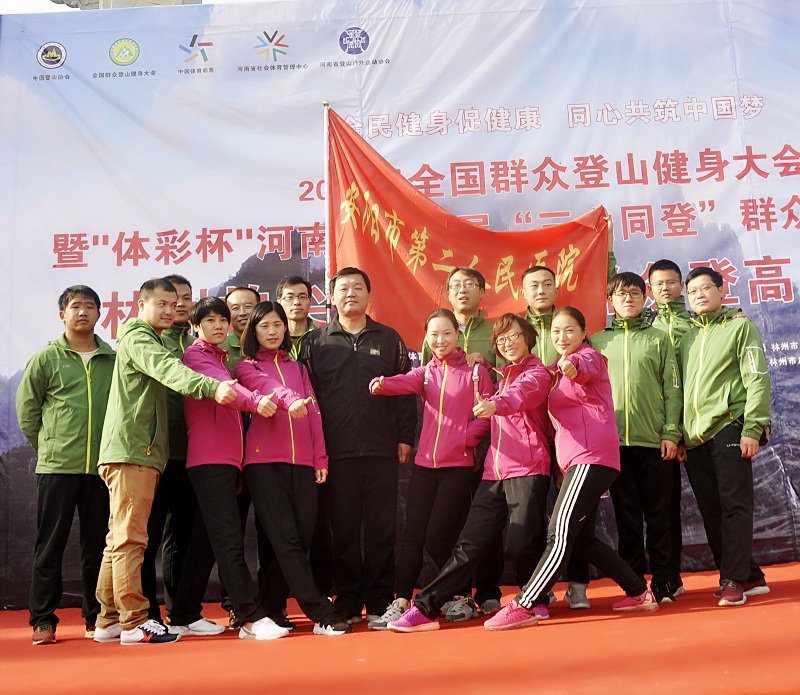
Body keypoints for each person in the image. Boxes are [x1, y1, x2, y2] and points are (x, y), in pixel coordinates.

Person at [481, 307, 659, 631]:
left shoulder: (589, 358)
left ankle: (525, 604)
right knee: (583, 540)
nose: (562, 337)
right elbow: (527, 386)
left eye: (569, 330)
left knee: (559, 533)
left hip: (591, 457)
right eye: (556, 332)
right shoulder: (553, 372)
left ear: (583, 332)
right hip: (578, 461)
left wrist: (572, 366)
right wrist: (484, 370)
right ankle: (638, 593)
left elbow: (583, 367)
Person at [93, 278, 237, 646]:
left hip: (137, 452)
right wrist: (212, 386)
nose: (170, 311)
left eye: (174, 305)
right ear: (141, 304)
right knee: (131, 539)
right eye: (162, 304)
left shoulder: (151, 338)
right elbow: (168, 369)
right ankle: (134, 621)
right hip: (133, 451)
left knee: (118, 539)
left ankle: (108, 620)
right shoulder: (139, 338)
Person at [387, 314, 554, 632]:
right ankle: (426, 607)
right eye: (501, 339)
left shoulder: (536, 373)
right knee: (469, 543)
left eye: (514, 336)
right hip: (494, 470)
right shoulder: (500, 375)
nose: (508, 343)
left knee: (520, 545)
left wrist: (494, 405)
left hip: (529, 466)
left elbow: (518, 396)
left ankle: (534, 598)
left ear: (528, 338)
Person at [300, 267, 417, 624]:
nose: (350, 293)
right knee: (344, 529)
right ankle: (348, 598)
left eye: (357, 287)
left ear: (369, 295)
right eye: (343, 288)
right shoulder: (316, 343)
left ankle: (380, 597)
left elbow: (404, 391)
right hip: (336, 452)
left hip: (382, 448)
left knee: (383, 527)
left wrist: (405, 437)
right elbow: (308, 398)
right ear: (332, 298)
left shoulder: (389, 338)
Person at [170, 297, 288, 640]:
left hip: (225, 461)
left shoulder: (220, 359)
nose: (219, 326)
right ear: (195, 327)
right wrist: (257, 401)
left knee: (206, 541)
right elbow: (229, 394)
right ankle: (250, 617)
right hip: (209, 460)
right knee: (228, 540)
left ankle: (183, 614)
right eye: (210, 321)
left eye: (222, 320)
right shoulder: (196, 357)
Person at [366, 309, 493, 629]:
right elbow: (402, 383)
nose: (440, 340)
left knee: (438, 537)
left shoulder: (476, 372)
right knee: (412, 536)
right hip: (424, 465)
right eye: (433, 334)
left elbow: (488, 414)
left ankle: (461, 595)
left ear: (457, 335)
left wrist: (466, 438)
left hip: (458, 466)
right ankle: (401, 601)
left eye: (446, 333)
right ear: (426, 338)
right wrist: (382, 384)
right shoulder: (425, 374)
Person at [236, 301, 352, 635]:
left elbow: (314, 413)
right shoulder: (246, 367)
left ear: (286, 329)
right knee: (286, 539)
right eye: (264, 326)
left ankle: (270, 607)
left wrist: (320, 458)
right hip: (263, 463)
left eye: (277, 325)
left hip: (302, 462)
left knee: (299, 538)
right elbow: (266, 388)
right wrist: (289, 400)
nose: (272, 332)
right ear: (253, 331)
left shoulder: (299, 369)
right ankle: (321, 612)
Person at [17, 285, 115, 645]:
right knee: (50, 545)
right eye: (75, 306)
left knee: (98, 546)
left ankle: (96, 617)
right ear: (63, 314)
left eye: (90, 306)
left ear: (100, 314)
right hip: (57, 467)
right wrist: (47, 446)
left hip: (101, 468)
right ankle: (43, 619)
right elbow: (27, 411)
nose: (82, 312)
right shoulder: (46, 358)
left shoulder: (112, 359)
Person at [647, 259, 744, 598]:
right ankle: (668, 577)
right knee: (664, 508)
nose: (665, 288)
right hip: (656, 428)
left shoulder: (697, 323)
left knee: (722, 503)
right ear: (650, 289)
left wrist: (734, 313)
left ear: (681, 288)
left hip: (697, 425)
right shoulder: (647, 325)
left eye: (671, 282)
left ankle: (739, 574)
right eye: (658, 283)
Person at [680, 267, 771, 606]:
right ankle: (752, 576)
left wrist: (753, 427)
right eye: (693, 292)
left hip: (730, 425)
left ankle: (732, 579)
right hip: (695, 437)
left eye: (706, 288)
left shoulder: (740, 327)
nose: (699, 295)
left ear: (721, 291)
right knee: (711, 510)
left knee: (734, 505)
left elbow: (757, 378)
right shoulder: (686, 337)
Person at [591, 272, 683, 603]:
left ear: (645, 298)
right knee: (626, 517)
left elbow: (673, 389)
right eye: (620, 294)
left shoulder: (659, 339)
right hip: (613, 445)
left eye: (634, 293)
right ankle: (634, 584)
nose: (627, 299)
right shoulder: (598, 342)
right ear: (610, 301)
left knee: (660, 517)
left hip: (654, 441)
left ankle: (665, 580)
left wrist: (671, 432)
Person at [421, 266, 505, 621]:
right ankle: (459, 591)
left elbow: (510, 375)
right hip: (448, 449)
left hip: (491, 443)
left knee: (487, 520)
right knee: (449, 523)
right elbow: (426, 384)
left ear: (482, 292)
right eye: (455, 285)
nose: (462, 290)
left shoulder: (496, 331)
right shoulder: (436, 332)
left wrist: (485, 363)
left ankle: (488, 592)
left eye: (469, 284)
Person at [142, 274, 196, 622]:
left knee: (182, 539)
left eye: (185, 298)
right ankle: (145, 612)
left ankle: (180, 614)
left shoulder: (197, 344)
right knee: (146, 538)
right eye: (171, 300)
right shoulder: (148, 341)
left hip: (190, 455)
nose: (179, 305)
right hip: (154, 455)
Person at [276, 275, 317, 360]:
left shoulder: (322, 337)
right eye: (290, 297)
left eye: (302, 297)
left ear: (310, 301)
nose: (296, 302)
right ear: (279, 303)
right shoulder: (272, 338)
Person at [222, 286, 261, 370]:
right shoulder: (220, 347)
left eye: (248, 306)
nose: (242, 313)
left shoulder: (272, 344)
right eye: (235, 308)